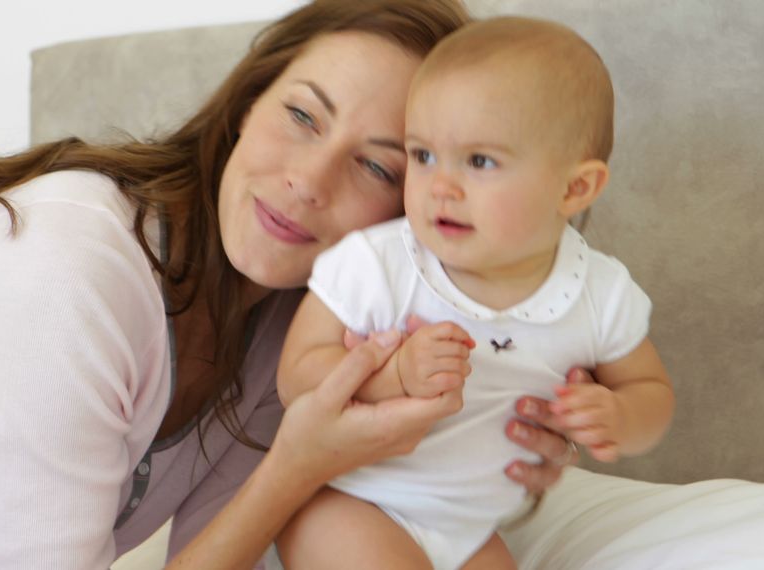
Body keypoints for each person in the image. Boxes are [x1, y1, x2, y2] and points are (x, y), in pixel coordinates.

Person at [0, 3, 582, 569]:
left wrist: (491, 440)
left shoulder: (287, 334)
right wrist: (293, 467)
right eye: (302, 115)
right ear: (243, 107)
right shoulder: (66, 267)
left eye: (375, 164)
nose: (306, 181)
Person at [276, 16, 676, 570]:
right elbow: (295, 375)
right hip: (353, 501)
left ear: (575, 188)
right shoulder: (379, 263)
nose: (441, 186)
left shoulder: (598, 293)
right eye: (422, 156)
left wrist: (620, 415)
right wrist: (391, 376)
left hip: (468, 528)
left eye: (480, 161)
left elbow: (650, 390)